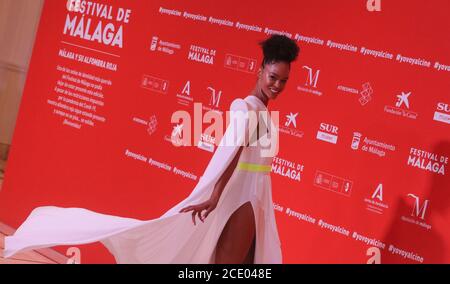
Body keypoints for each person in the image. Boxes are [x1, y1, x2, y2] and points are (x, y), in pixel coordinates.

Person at [4, 34, 299, 264]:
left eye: (283, 81)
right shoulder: (245, 108)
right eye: (273, 77)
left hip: (256, 198)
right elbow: (231, 153)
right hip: (242, 200)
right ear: (260, 70)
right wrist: (214, 196)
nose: (277, 85)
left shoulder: (261, 110)